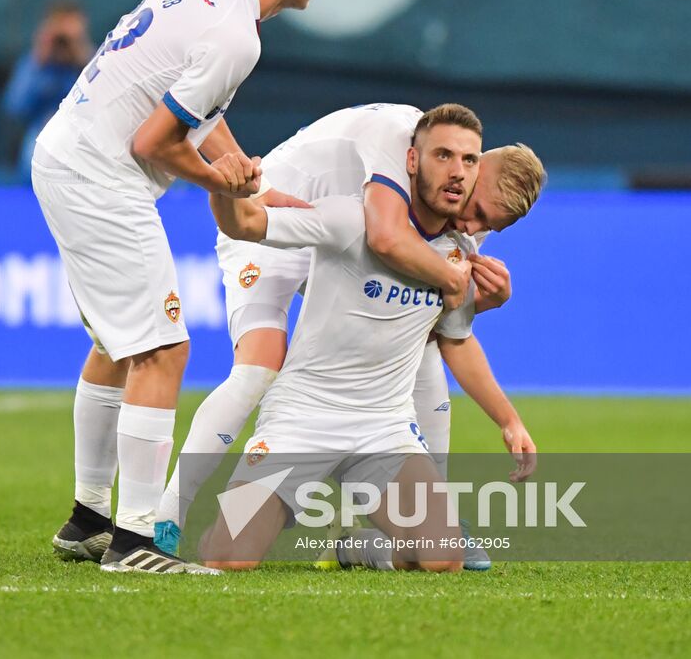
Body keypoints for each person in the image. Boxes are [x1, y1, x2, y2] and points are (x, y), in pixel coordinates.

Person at [33, 0, 353, 574]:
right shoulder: (238, 37)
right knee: (164, 349)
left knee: (118, 345)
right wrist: (225, 183)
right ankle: (135, 541)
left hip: (68, 154)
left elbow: (191, 109)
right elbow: (156, 141)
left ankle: (89, 519)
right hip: (99, 174)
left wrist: (244, 170)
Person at [155, 103, 547, 557]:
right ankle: (167, 514)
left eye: (488, 227)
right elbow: (381, 237)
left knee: (442, 551)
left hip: (379, 425)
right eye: (476, 213)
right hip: (279, 209)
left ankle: (391, 531)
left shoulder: (456, 232)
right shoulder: (380, 173)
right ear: (416, 159)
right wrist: (225, 186)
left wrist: (478, 310)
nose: (472, 230)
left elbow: (453, 334)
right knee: (257, 368)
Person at [2, 0, 91, 176]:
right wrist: (40, 61)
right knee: (34, 161)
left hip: (85, 135)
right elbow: (14, 107)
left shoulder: (93, 61)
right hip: (42, 133)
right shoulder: (35, 62)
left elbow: (105, 103)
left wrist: (82, 58)